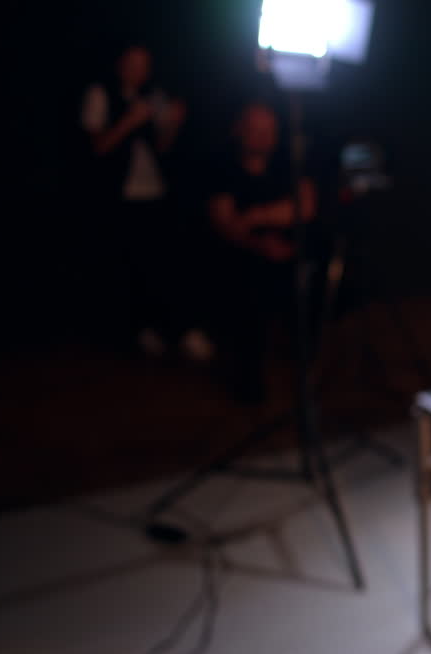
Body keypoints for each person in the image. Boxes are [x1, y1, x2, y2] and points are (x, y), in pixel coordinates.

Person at [81, 43, 209, 359]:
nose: (137, 71)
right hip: (117, 196)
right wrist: (130, 120)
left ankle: (172, 329)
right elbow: (97, 147)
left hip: (155, 192)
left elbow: (163, 146)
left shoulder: (153, 96)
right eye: (132, 63)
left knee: (164, 262)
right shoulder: (101, 93)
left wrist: (173, 123)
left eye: (143, 65)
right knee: (126, 265)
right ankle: (135, 333)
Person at [208, 101, 319, 404]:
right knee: (247, 297)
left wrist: (256, 215)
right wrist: (260, 242)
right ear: (239, 130)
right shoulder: (223, 168)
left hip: (291, 255)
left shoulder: (287, 164)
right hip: (243, 259)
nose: (262, 138)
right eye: (255, 130)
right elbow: (225, 224)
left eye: (268, 131)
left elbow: (305, 207)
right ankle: (250, 384)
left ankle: (307, 370)